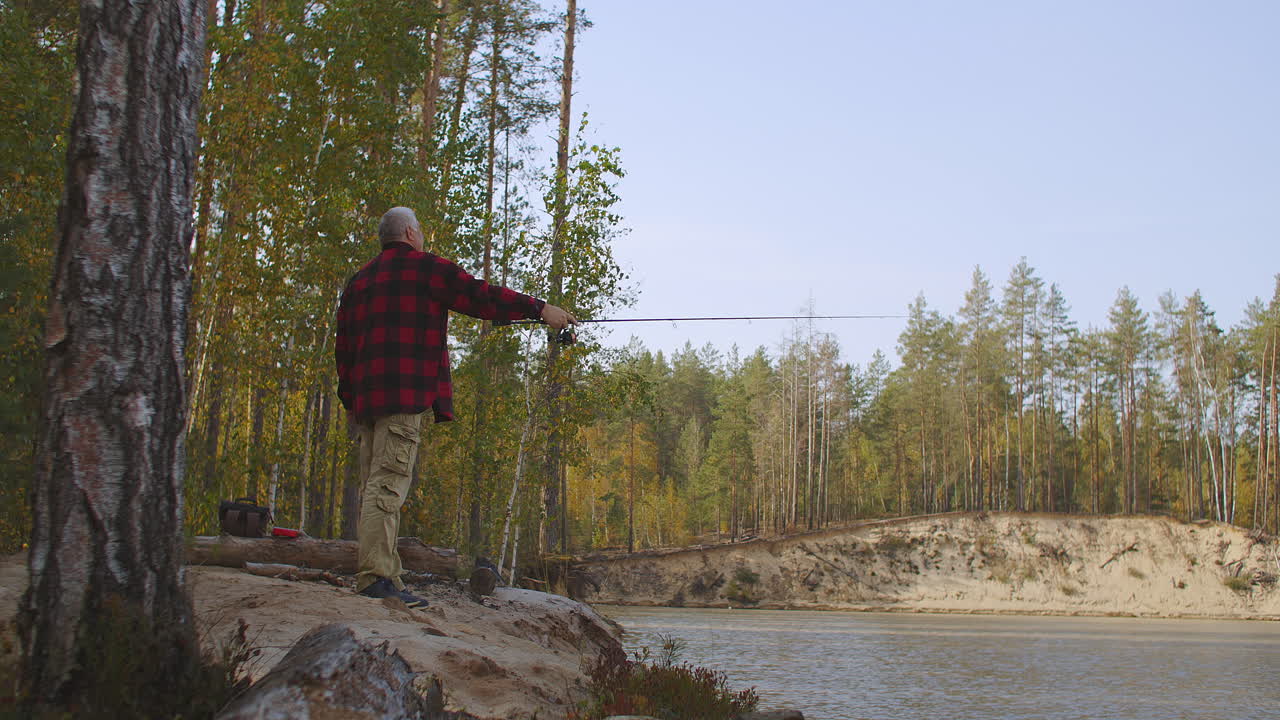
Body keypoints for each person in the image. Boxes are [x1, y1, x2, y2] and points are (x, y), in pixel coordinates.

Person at [335, 206, 575, 607]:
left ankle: (387, 577)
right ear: (411, 233)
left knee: (376, 487)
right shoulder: (426, 269)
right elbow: (481, 297)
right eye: (421, 231)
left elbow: (342, 349)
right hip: (402, 398)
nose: (423, 237)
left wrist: (350, 398)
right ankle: (375, 578)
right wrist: (540, 309)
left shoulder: (358, 282)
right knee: (386, 488)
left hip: (367, 403)